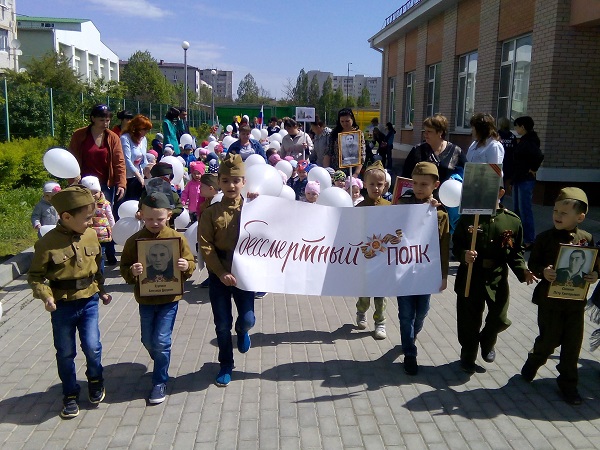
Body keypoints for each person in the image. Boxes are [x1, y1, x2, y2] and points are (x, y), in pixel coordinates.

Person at [27, 186, 112, 418]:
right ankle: (70, 393)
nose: (90, 222)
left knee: (93, 347)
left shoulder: (91, 234)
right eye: (86, 218)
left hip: (89, 302)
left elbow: (97, 269)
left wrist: (102, 291)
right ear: (66, 217)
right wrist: (45, 295)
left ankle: (95, 380)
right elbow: (35, 276)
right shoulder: (47, 243)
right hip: (62, 305)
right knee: (65, 352)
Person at [521, 188, 599, 404]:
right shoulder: (545, 238)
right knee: (548, 340)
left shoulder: (587, 238)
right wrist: (543, 272)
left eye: (564, 213)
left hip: (575, 303)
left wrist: (594, 275)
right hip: (550, 302)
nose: (557, 215)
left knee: (572, 346)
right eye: (556, 210)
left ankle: (568, 385)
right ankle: (534, 362)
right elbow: (533, 263)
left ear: (580, 217)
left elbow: (594, 264)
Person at [120, 192, 195, 404]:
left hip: (169, 299)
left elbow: (190, 263)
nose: (154, 223)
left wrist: (185, 266)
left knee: (161, 342)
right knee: (147, 340)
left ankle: (159, 381)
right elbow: (124, 268)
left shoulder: (177, 239)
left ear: (169, 215)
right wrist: (132, 272)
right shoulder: (134, 241)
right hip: (145, 299)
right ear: (141, 215)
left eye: (159, 219)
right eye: (149, 218)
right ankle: (162, 361)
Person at [453, 186, 536, 375]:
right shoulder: (469, 217)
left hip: (496, 277)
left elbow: (516, 252)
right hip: (471, 275)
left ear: (500, 193)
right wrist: (464, 254)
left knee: (499, 317)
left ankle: (487, 340)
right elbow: (456, 244)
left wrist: (523, 270)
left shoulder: (511, 221)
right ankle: (468, 355)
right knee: (468, 320)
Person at [198, 154, 257, 387]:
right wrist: (221, 272)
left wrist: (259, 203)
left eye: (236, 180)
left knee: (248, 318)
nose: (231, 186)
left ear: (243, 182)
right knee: (222, 323)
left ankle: (242, 331)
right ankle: (225, 363)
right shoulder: (211, 212)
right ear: (219, 184)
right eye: (225, 181)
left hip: (245, 273)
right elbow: (205, 245)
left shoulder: (253, 207)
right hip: (219, 272)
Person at [396, 162, 450, 375]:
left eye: (424, 184)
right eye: (415, 183)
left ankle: (412, 334)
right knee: (405, 314)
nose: (418, 188)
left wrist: (443, 275)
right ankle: (410, 352)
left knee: (422, 312)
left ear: (435, 185)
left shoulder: (439, 215)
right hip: (404, 271)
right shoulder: (402, 205)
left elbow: (444, 246)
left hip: (426, 272)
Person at [68, 104, 126, 265]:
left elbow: (119, 161)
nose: (105, 123)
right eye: (102, 119)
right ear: (93, 118)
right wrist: (72, 179)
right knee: (84, 216)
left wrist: (121, 183)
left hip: (105, 184)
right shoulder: (80, 135)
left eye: (108, 120)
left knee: (105, 216)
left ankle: (109, 250)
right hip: (83, 184)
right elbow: (71, 158)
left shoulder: (112, 137)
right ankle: (85, 250)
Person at [355, 160, 390, 339]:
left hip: (383, 261)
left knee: (380, 294)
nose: (376, 188)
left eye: (379, 184)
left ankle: (380, 322)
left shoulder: (390, 207)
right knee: (365, 292)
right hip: (364, 259)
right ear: (365, 185)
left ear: (385, 185)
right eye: (372, 184)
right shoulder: (359, 208)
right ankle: (361, 312)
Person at [401, 114, 465, 183]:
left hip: (446, 192)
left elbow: (467, 174)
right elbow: (405, 176)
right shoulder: (417, 150)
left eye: (429, 131)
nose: (425, 134)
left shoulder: (455, 151)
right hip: (420, 193)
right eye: (424, 131)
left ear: (440, 132)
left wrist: (456, 178)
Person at [512, 116, 544, 250]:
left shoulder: (530, 140)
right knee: (517, 210)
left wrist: (533, 169)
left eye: (517, 126)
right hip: (519, 178)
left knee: (525, 210)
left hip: (525, 179)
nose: (515, 129)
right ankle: (519, 237)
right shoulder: (524, 140)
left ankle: (529, 239)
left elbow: (539, 155)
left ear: (523, 127)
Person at [80, 176, 115, 276]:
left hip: (102, 235)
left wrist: (113, 227)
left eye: (95, 192)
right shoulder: (82, 205)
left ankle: (100, 275)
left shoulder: (105, 204)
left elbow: (110, 216)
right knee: (90, 254)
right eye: (90, 193)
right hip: (88, 234)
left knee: (100, 255)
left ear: (100, 192)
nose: (93, 195)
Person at [138, 162, 184, 228]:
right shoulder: (147, 192)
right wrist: (139, 212)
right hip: (150, 226)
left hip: (168, 226)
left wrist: (169, 213)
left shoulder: (172, 192)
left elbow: (179, 207)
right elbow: (141, 205)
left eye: (167, 178)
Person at [120, 114, 152, 202]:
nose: (146, 132)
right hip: (128, 177)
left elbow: (143, 158)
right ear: (136, 128)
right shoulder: (125, 138)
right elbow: (127, 161)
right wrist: (139, 177)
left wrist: (148, 173)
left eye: (147, 130)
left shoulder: (143, 139)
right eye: (144, 129)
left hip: (140, 176)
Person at [325, 108, 366, 176]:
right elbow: (328, 152)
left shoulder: (358, 134)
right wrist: (327, 170)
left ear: (352, 119)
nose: (344, 124)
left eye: (347, 121)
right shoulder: (334, 133)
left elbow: (362, 155)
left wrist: (356, 173)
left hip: (353, 171)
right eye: (342, 121)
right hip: (336, 171)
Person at [497, 117, 516, 192]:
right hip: (509, 164)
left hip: (499, 163)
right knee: (503, 185)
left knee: (499, 185)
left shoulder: (497, 135)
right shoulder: (512, 136)